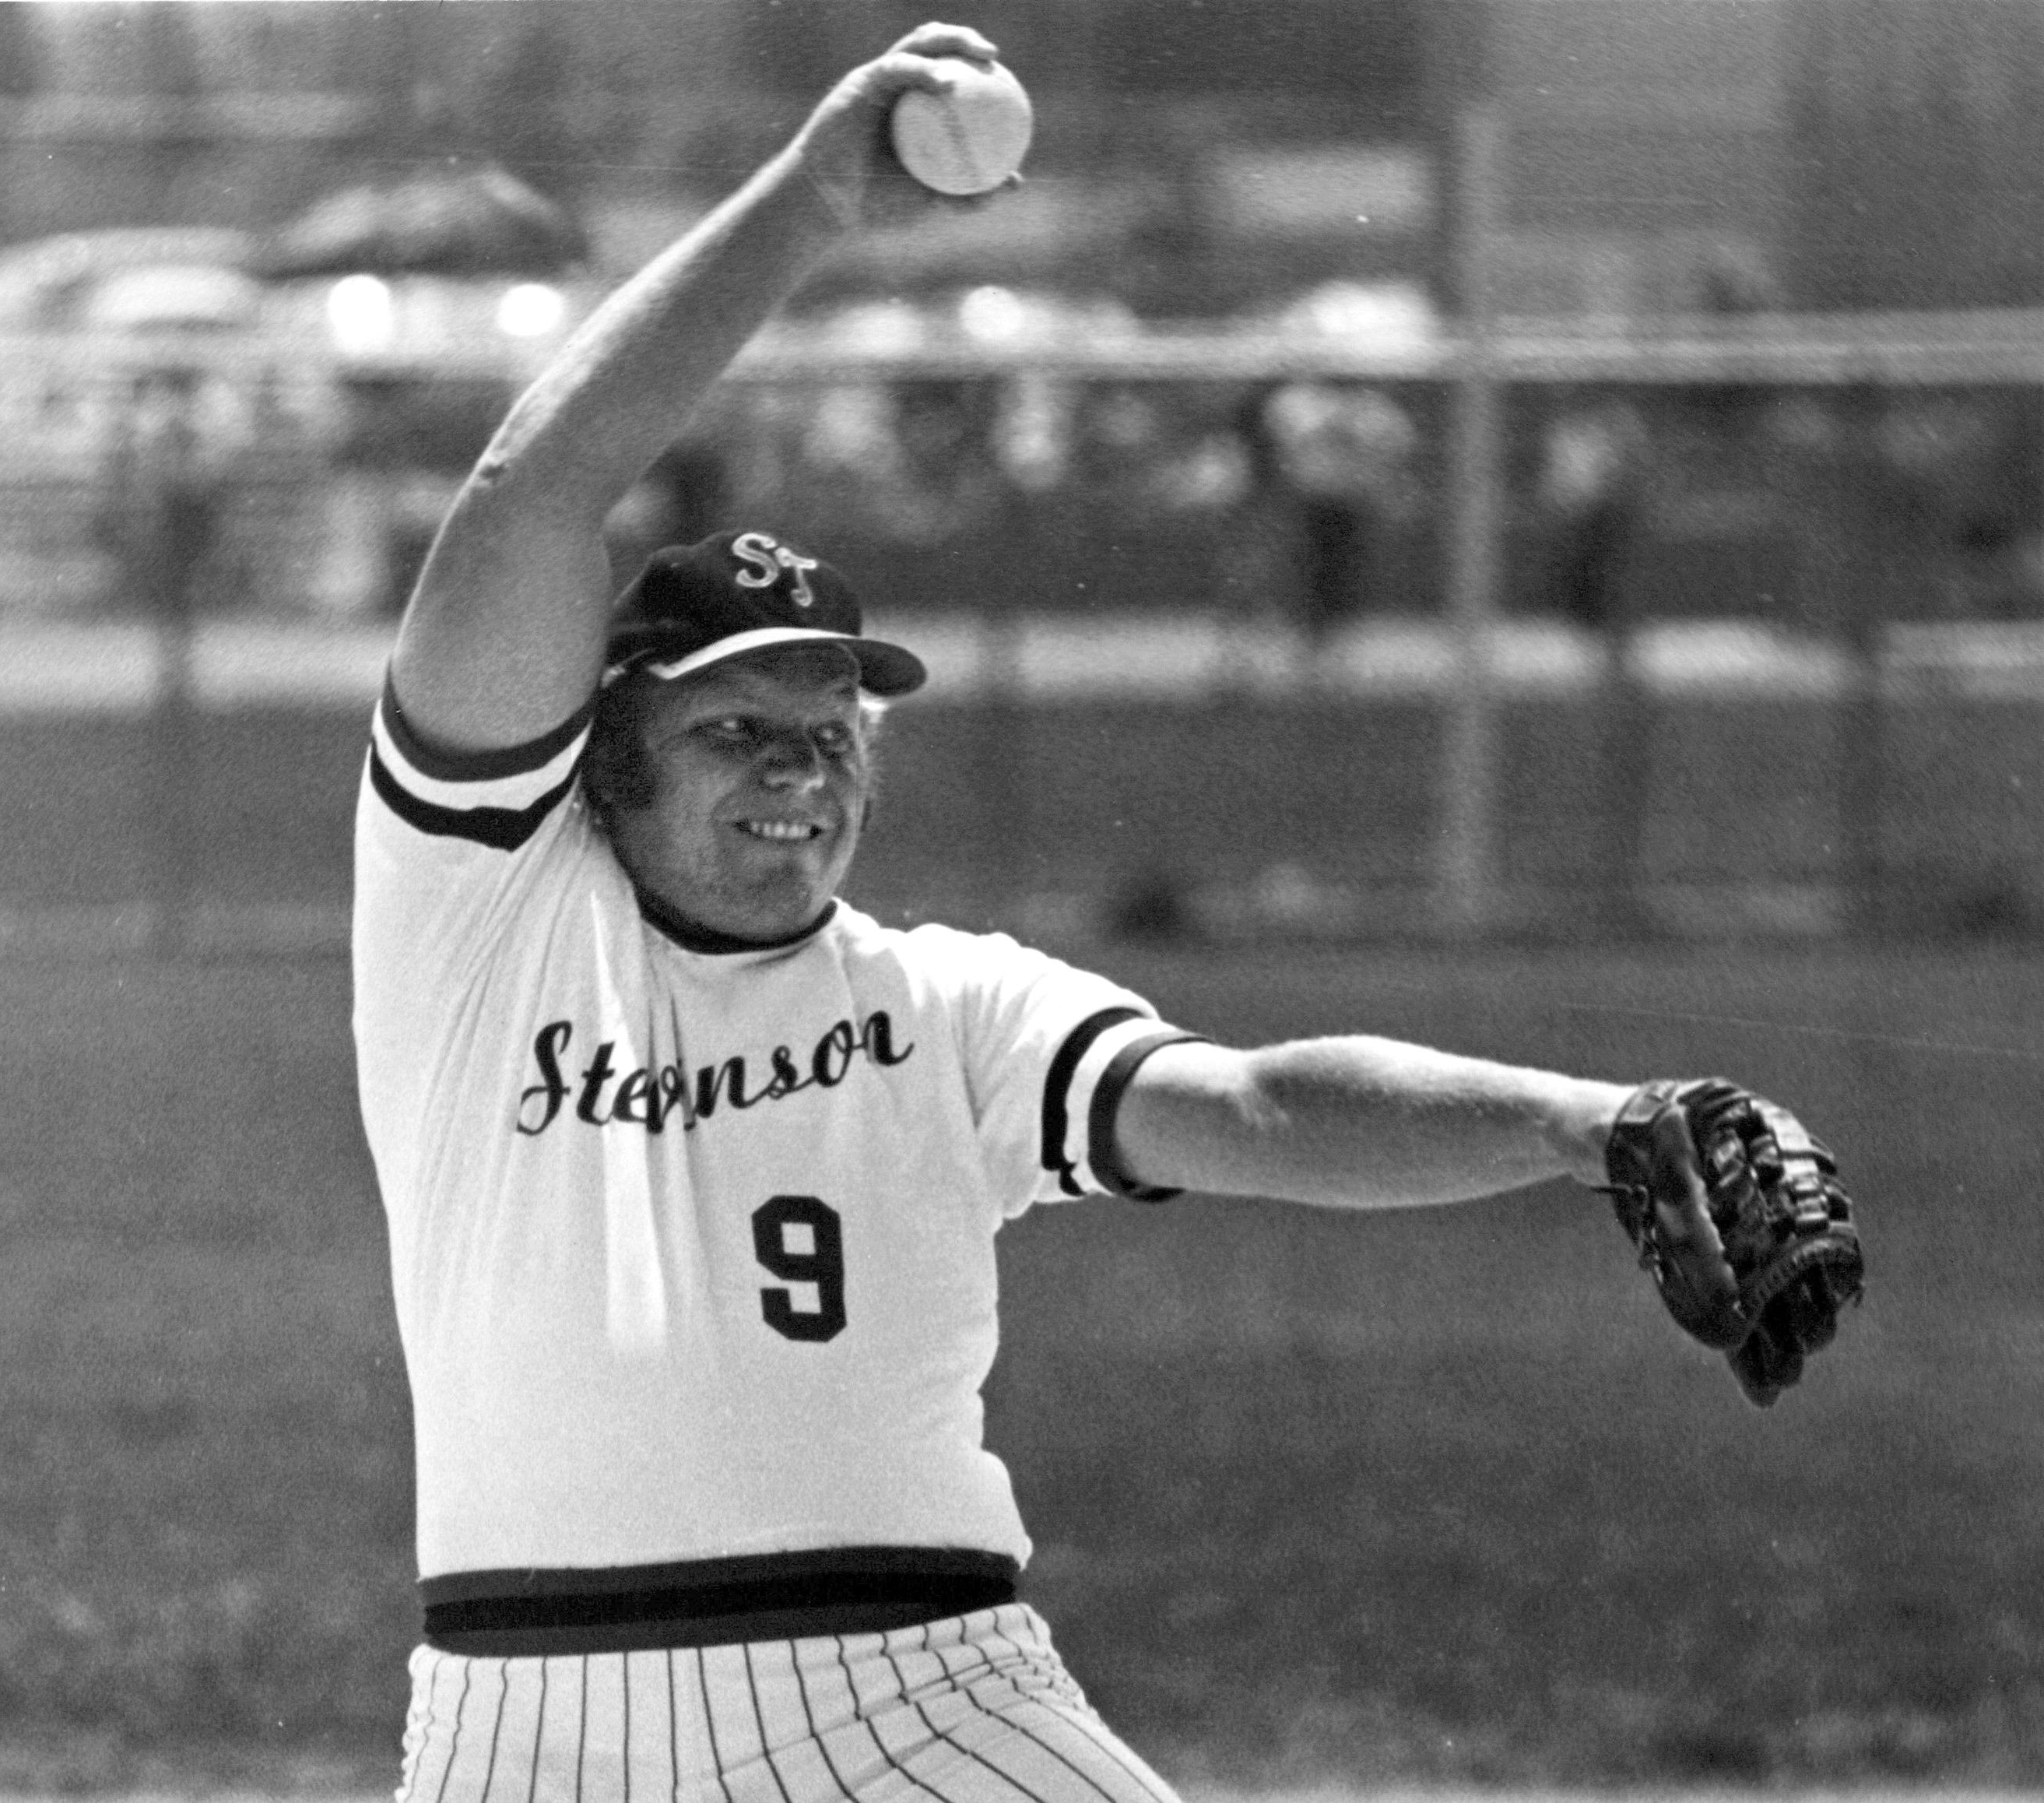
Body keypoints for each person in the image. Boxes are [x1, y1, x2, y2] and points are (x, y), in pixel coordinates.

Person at [349, 26, 1846, 1803]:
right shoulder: (483, 924)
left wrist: (1587, 1125)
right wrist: (814, 200)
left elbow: (1256, 1106)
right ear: (607, 754)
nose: (799, 770)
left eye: (831, 731)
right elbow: (532, 495)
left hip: (918, 1704)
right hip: (528, 1735)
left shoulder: (949, 1009)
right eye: (734, 728)